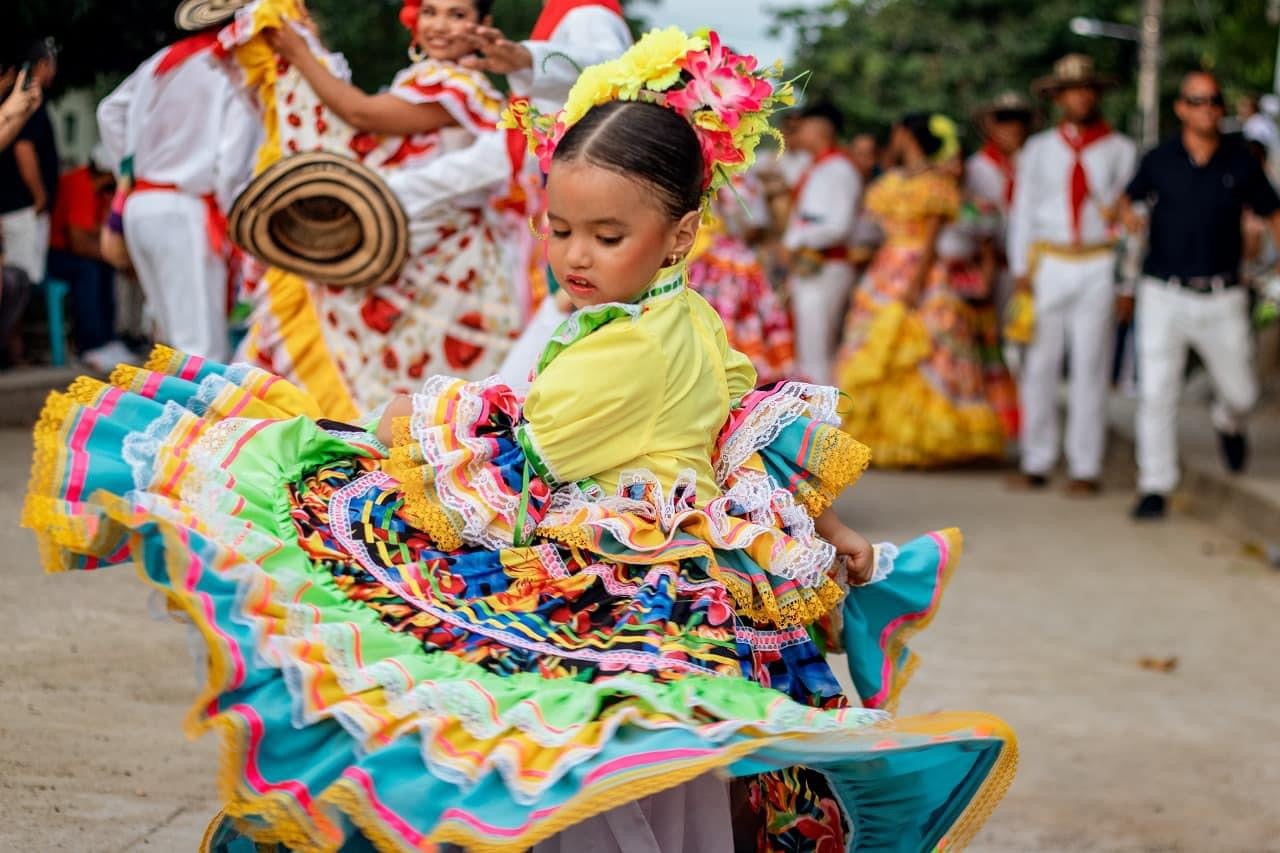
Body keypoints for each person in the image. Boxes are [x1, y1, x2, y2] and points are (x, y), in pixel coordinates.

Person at [24, 31, 1015, 852]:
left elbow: (515, 460)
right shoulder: (690, 321)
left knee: (560, 758)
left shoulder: (618, 350)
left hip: (623, 572)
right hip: (687, 575)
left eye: (605, 236)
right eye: (560, 230)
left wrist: (345, 449)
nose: (575, 258)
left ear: (677, 235)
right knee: (645, 769)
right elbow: (740, 432)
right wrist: (831, 528)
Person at [241, 0, 521, 410]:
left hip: (443, 260)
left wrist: (300, 55)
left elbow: (361, 114)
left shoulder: (461, 88)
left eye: (457, 15)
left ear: (484, 25)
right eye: (430, 12)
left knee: (424, 378)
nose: (439, 26)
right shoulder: (425, 78)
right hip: (411, 249)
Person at [1118, 72, 1280, 520]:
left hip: (1222, 294)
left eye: (1214, 100)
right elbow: (1126, 201)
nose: (1208, 108)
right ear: (1182, 108)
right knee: (1157, 392)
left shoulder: (1241, 161)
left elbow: (1272, 212)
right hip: (1163, 291)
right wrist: (1128, 219)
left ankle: (1228, 420)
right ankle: (1155, 484)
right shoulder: (1160, 158)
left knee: (1244, 393)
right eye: (1198, 100)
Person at [835, 115, 1006, 467]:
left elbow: (929, 241)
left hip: (917, 270)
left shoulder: (934, 183)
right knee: (878, 343)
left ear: (904, 133)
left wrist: (915, 284)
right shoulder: (894, 180)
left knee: (929, 344)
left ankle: (931, 439)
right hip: (887, 266)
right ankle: (881, 438)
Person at [96, 12, 262, 362]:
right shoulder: (230, 66)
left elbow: (108, 112)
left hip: (142, 205)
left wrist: (130, 167)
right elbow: (232, 166)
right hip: (186, 209)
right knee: (201, 349)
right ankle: (204, 417)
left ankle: (178, 415)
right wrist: (238, 219)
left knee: (171, 341)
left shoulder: (161, 60)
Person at [1006, 54, 1136, 495]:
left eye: (1087, 88)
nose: (1080, 97)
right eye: (1071, 90)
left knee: (1090, 367)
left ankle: (1085, 466)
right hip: (1050, 262)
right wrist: (1021, 267)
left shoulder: (1120, 150)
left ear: (1097, 94)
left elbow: (1131, 219)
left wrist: (1127, 281)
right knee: (1039, 364)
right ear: (1058, 98)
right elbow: (1022, 209)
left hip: (1099, 262)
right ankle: (1036, 458)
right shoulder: (1039, 149)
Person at [686, 171, 795, 383]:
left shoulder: (711, 174)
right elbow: (753, 223)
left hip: (711, 262)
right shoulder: (733, 177)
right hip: (718, 261)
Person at [781, 101, 860, 384]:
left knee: (816, 353)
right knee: (809, 350)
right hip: (811, 269)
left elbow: (838, 227)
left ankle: (825, 424)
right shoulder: (817, 166)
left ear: (819, 129)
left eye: (801, 126)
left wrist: (795, 241)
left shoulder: (838, 169)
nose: (797, 132)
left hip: (825, 268)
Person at [45, 145, 138, 372]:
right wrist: (117, 258)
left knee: (102, 268)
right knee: (89, 270)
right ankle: (91, 344)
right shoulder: (80, 184)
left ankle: (108, 339)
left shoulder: (100, 191)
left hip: (80, 253)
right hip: (56, 255)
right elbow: (79, 242)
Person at [0, 39, 59, 284]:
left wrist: (19, 113)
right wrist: (39, 197)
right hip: (18, 206)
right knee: (20, 281)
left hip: (15, 206)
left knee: (16, 286)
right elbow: (23, 150)